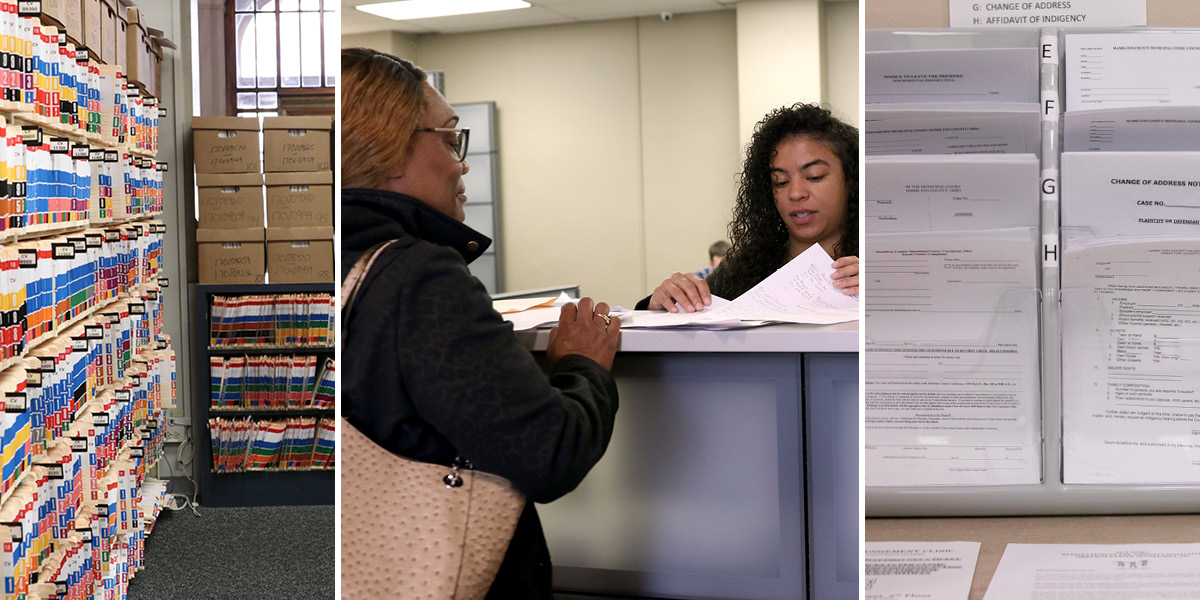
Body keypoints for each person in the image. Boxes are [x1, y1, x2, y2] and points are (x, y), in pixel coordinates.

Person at [340, 48, 621, 599]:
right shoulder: (418, 276)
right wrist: (584, 366)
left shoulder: (339, 258)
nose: (462, 163)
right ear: (390, 148)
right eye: (449, 139)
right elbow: (549, 452)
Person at [640, 103, 859, 312]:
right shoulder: (739, 273)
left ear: (851, 179)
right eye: (780, 182)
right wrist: (660, 306)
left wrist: (888, 294)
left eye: (814, 177)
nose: (796, 193)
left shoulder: (878, 267)